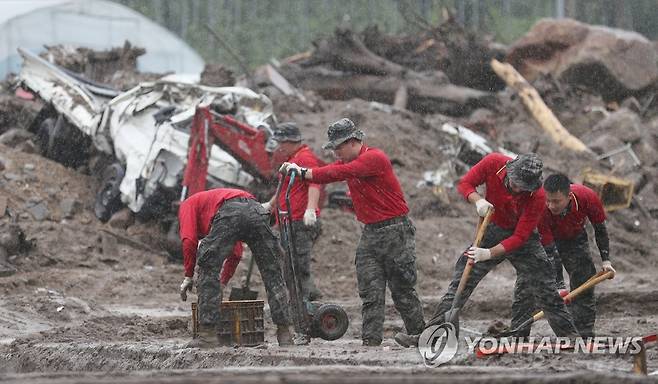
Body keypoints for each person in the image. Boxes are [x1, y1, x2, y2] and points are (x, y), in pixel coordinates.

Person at [395, 152, 580, 347]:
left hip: (523, 240)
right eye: (515, 183)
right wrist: (477, 200)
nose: (517, 189)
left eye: (523, 187)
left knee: (546, 289)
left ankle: (570, 337)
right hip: (492, 229)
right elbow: (465, 184)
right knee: (460, 283)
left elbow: (520, 237)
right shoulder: (493, 163)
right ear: (510, 170)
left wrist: (488, 253)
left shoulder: (538, 195)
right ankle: (431, 336)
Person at [279, 118, 425, 346]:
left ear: (352, 141)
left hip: (396, 230)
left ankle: (419, 335)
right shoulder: (347, 162)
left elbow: (337, 173)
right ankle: (371, 341)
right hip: (371, 232)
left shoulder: (373, 158)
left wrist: (302, 172)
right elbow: (330, 171)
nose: (336, 153)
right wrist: (303, 172)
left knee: (402, 289)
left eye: (338, 147)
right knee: (370, 290)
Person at [177, 188, 293, 347]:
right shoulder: (212, 204)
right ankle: (285, 334)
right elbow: (236, 253)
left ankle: (207, 336)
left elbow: (189, 240)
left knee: (208, 266)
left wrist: (188, 276)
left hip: (231, 211)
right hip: (255, 209)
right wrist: (222, 283)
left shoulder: (187, 205)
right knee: (272, 272)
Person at [531, 173, 616, 338]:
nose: (551, 206)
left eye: (556, 201)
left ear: (569, 196)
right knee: (539, 285)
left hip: (574, 236)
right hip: (543, 240)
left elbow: (600, 229)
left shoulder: (588, 197)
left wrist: (606, 260)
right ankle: (521, 333)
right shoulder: (540, 206)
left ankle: (584, 333)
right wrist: (560, 285)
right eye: (548, 200)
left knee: (584, 279)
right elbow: (549, 251)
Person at [264, 122, 324, 302]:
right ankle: (304, 298)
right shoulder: (291, 160)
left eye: (282, 143)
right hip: (288, 221)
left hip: (301, 222)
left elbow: (315, 182)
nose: (279, 147)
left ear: (292, 141)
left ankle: (305, 304)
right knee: (290, 266)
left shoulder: (305, 158)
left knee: (297, 265)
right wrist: (270, 205)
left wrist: (310, 209)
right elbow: (283, 190)